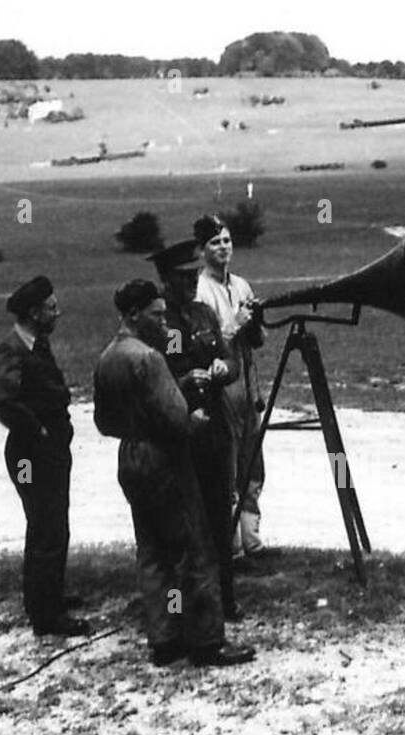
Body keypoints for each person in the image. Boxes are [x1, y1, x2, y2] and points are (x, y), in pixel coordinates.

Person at [93, 278, 255, 668]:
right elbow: (180, 421)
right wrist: (196, 416)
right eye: (156, 315)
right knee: (194, 550)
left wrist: (176, 387)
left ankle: (165, 638)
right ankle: (206, 641)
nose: (164, 323)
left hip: (130, 457)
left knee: (152, 552)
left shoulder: (108, 357)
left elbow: (103, 421)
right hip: (164, 461)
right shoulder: (149, 358)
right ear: (134, 314)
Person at [0, 275, 90, 638]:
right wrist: (38, 431)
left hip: (47, 452)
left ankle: (47, 596)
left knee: (50, 524)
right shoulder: (13, 349)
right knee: (46, 527)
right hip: (32, 456)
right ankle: (47, 617)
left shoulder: (36, 344)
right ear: (33, 313)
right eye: (50, 308)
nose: (57, 313)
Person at [150, 239, 245, 620]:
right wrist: (187, 377)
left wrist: (224, 367)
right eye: (182, 277)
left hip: (214, 429)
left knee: (220, 516)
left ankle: (225, 598)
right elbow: (165, 371)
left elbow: (229, 357)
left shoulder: (204, 314)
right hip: (183, 429)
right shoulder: (163, 322)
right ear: (166, 279)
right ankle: (187, 605)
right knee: (188, 526)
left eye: (193, 276)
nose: (191, 283)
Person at [192, 214, 268, 562]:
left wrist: (254, 324)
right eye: (214, 242)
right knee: (229, 465)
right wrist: (234, 325)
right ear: (202, 250)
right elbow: (205, 346)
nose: (223, 247)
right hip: (223, 384)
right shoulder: (200, 292)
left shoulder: (241, 285)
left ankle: (252, 539)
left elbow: (260, 341)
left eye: (226, 240)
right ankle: (231, 546)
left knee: (253, 462)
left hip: (247, 381)